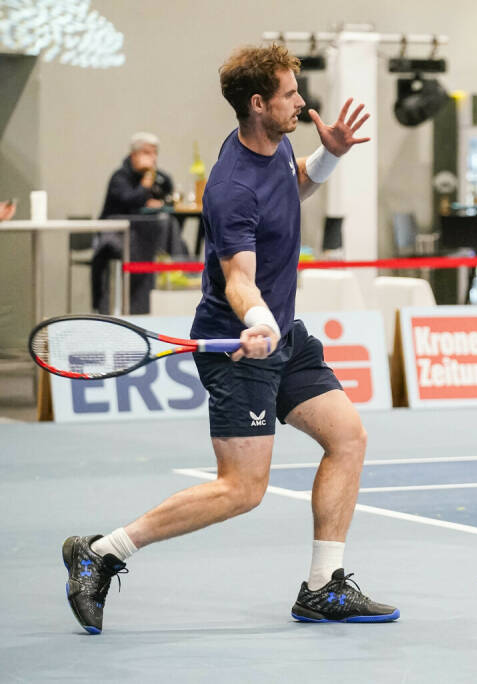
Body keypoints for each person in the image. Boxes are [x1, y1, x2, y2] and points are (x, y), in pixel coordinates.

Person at [61, 43, 398, 634]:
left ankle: (323, 586)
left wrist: (328, 158)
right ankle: (103, 551)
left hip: (283, 336)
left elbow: (290, 188)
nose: (302, 101)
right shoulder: (229, 186)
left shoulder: (270, 138)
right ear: (259, 103)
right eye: (291, 94)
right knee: (242, 490)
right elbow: (238, 277)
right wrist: (259, 321)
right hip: (239, 346)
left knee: (347, 438)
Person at [93, 132, 186, 313]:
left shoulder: (160, 178)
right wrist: (146, 182)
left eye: (155, 153)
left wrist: (159, 196)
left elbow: (170, 197)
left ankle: (173, 289)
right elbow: (130, 200)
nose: (152, 158)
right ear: (133, 155)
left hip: (149, 237)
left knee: (174, 234)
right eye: (147, 153)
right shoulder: (119, 177)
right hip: (117, 237)